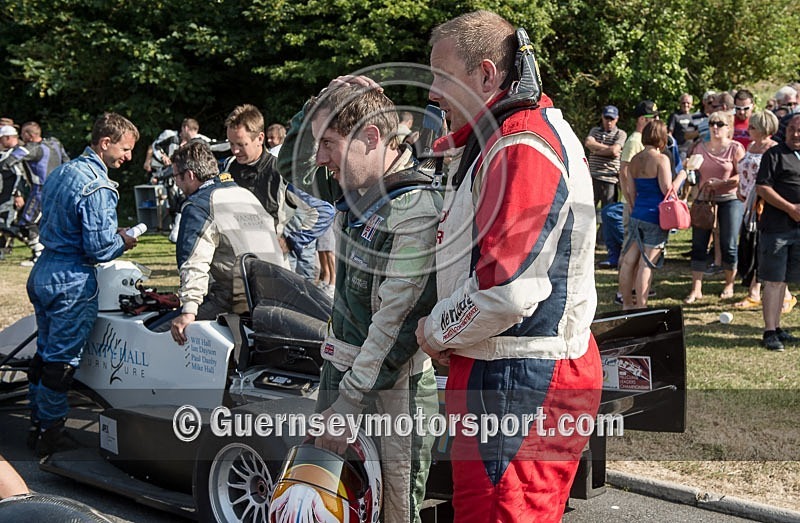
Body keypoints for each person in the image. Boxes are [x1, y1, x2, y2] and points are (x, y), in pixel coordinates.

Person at [414, 11, 601, 522]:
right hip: (511, 370)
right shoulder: (509, 136)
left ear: (488, 75)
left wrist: (433, 333)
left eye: (441, 77)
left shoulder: (519, 143)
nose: (432, 93)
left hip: (518, 376)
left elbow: (509, 291)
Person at [282, 82, 441, 523]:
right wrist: (320, 99)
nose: (320, 159)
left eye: (329, 144)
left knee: (390, 513)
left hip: (388, 391)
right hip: (343, 378)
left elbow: (394, 328)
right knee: (324, 504)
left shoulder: (414, 209)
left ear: (370, 138)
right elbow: (290, 164)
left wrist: (347, 406)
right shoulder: (355, 187)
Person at [26, 112, 139, 456]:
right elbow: (100, 247)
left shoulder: (60, 172)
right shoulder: (99, 186)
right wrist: (124, 240)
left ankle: (38, 423)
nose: (128, 157)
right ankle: (52, 432)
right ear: (106, 143)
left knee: (43, 355)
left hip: (43, 270)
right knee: (60, 363)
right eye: (125, 149)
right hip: (72, 280)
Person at [167, 141, 287, 344]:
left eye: (176, 177)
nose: (176, 184)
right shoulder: (244, 194)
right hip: (277, 295)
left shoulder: (199, 205)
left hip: (238, 298)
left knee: (161, 331)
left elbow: (194, 261)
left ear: (190, 175)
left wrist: (188, 310)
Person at [223, 104, 332, 277]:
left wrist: (291, 241)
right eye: (231, 143)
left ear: (260, 138)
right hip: (234, 263)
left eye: (241, 144)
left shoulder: (281, 172)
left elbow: (324, 211)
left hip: (270, 266)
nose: (235, 150)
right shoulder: (228, 166)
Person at [734, 110, 796, 312]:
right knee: (752, 248)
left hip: (763, 206)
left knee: (761, 248)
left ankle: (775, 293)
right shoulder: (751, 146)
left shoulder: (774, 149)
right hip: (747, 204)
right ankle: (757, 291)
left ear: (763, 128)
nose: (748, 130)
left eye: (752, 127)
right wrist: (740, 189)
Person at [684, 111, 745, 303]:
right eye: (712, 123)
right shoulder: (699, 147)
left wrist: (722, 183)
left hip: (730, 198)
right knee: (699, 243)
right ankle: (696, 288)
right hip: (704, 200)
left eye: (720, 123)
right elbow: (690, 173)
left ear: (729, 127)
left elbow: (743, 176)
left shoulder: (735, 148)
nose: (715, 127)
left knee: (729, 244)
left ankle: (729, 284)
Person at [754, 114, 800, 351]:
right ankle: (769, 331)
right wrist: (790, 208)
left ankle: (779, 327)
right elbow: (762, 187)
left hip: (797, 231)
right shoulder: (774, 155)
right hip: (777, 228)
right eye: (792, 129)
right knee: (773, 280)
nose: (796, 134)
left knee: (784, 281)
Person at [617, 121, 673, 309]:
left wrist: (633, 207)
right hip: (655, 216)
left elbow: (630, 191)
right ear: (663, 138)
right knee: (646, 264)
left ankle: (627, 304)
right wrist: (681, 178)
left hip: (637, 213)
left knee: (629, 260)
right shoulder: (661, 159)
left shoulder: (635, 160)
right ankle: (642, 307)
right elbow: (666, 189)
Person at [15, 122, 70, 266]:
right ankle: (47, 254)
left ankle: (39, 255)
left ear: (29, 136)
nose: (21, 137)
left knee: (27, 222)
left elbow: (10, 160)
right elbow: (67, 162)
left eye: (22, 134)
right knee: (48, 222)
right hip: (60, 188)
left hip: (41, 190)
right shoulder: (55, 143)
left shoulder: (33, 148)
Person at [585, 104, 627, 267]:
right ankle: (590, 242)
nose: (608, 121)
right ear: (602, 117)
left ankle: (605, 244)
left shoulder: (620, 133)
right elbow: (589, 142)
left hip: (610, 178)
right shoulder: (595, 131)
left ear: (616, 119)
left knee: (608, 214)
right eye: (606, 118)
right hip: (593, 177)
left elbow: (615, 151)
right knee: (588, 212)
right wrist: (607, 150)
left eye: (612, 119)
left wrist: (597, 149)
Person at [0, 125, 30, 258]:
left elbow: (20, 175)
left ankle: (28, 239)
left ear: (7, 138)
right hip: (5, 192)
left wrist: (19, 194)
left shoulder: (20, 152)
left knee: (7, 223)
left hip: (12, 194)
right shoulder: (8, 151)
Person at [668, 93, 695, 162]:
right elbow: (669, 134)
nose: (686, 105)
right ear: (680, 104)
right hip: (680, 150)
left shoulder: (694, 117)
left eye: (688, 103)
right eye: (683, 103)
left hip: (692, 150)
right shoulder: (675, 116)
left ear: (691, 104)